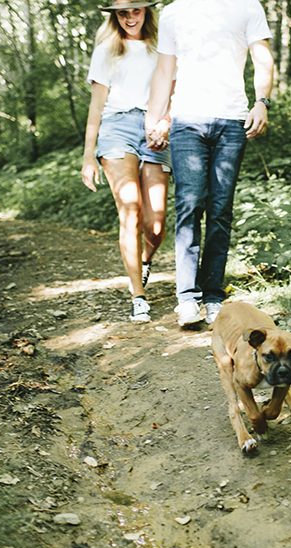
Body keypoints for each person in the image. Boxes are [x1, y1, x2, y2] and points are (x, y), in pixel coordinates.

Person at [144, 0, 274, 327]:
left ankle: (212, 294)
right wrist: (154, 118)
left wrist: (262, 102)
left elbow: (263, 58)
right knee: (189, 203)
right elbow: (163, 70)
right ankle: (187, 298)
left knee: (220, 209)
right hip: (187, 120)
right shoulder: (174, 12)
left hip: (232, 120)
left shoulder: (247, 7)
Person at [82, 0, 173, 324]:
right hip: (116, 128)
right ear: (114, 16)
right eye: (123, 13)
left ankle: (144, 261)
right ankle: (138, 295)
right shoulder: (107, 50)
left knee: (157, 224)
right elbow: (96, 106)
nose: (130, 18)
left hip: (155, 127)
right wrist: (88, 155)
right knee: (130, 209)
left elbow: (174, 92)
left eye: (136, 10)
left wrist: (166, 121)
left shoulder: (162, 46)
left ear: (147, 11)